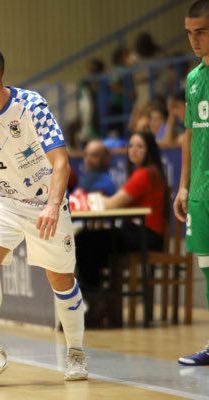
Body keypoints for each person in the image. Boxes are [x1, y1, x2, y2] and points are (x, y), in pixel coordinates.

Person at [0, 41, 87, 381]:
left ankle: (75, 353)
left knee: (61, 280)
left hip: (45, 202)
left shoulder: (32, 106)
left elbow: (61, 162)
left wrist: (54, 206)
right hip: (3, 199)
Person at [75, 131, 167, 291]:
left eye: (140, 146)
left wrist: (89, 199)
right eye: (131, 146)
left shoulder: (144, 174)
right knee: (88, 241)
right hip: (142, 233)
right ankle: (100, 299)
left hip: (145, 236)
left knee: (83, 242)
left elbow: (112, 204)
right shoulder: (149, 172)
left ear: (149, 149)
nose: (134, 150)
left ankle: (96, 300)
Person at [174, 0, 209, 366]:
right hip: (200, 192)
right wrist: (183, 186)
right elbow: (189, 133)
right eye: (189, 33)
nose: (194, 40)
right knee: (208, 267)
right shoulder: (194, 78)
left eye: (201, 32)